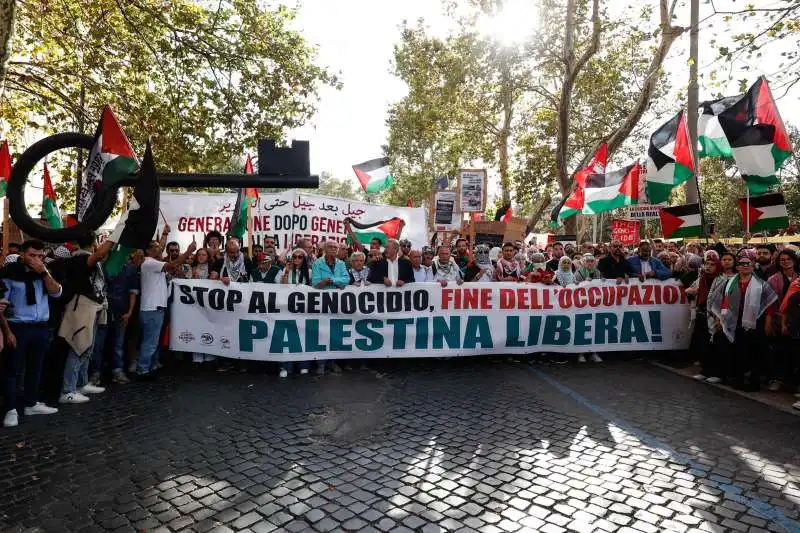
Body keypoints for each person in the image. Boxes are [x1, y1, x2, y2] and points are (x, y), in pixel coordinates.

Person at [1, 240, 63, 427]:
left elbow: (57, 293)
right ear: (23, 255)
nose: (37, 259)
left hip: (40, 326)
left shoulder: (44, 274)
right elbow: (1, 308)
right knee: (13, 369)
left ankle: (31, 402)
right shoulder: (9, 275)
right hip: (18, 326)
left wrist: (43, 272)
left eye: (40, 255)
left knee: (36, 367)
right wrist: (7, 332)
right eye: (32, 255)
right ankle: (10, 409)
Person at [708, 255, 777, 391]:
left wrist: (768, 322)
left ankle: (754, 382)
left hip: (756, 322)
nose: (745, 266)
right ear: (737, 267)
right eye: (742, 264)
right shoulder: (728, 283)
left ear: (752, 267)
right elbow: (721, 301)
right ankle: (738, 379)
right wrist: (719, 319)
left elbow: (770, 305)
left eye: (748, 264)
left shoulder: (762, 284)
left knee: (755, 352)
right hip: (735, 321)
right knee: (738, 351)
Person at [138, 239, 196, 380]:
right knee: (150, 342)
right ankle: (143, 370)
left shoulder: (153, 263)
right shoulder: (150, 263)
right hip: (152, 308)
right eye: (157, 247)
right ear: (148, 250)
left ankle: (151, 366)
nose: (160, 249)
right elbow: (173, 264)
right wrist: (188, 252)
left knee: (153, 341)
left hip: (156, 308)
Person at [765, 250, 799, 391]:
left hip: (796, 320)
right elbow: (769, 303)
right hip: (777, 319)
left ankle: (793, 381)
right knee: (778, 350)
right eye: (782, 259)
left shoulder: (798, 278)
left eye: (788, 259)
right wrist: (768, 321)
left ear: (794, 261)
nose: (785, 261)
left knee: (794, 352)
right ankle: (777, 379)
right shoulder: (773, 279)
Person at [107, 250, 141, 384]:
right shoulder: (106, 267)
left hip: (122, 310)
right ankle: (96, 372)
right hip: (104, 310)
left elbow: (132, 292)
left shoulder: (130, 270)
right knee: (99, 342)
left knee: (118, 343)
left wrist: (130, 312)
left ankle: (117, 370)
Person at [687, 253, 722, 383]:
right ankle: (705, 370)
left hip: (715, 316)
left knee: (715, 345)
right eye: (707, 264)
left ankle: (716, 372)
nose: (708, 267)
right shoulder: (701, 279)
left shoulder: (721, 280)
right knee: (703, 343)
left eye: (712, 265)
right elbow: (690, 289)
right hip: (702, 314)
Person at [280, 248, 312, 377]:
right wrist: (287, 272)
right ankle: (285, 366)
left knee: (303, 336)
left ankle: (303, 364)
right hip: (288, 308)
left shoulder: (309, 272)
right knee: (287, 337)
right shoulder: (287, 270)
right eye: (295, 256)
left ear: (304, 259)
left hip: (303, 309)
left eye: (300, 257)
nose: (297, 259)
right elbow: (283, 287)